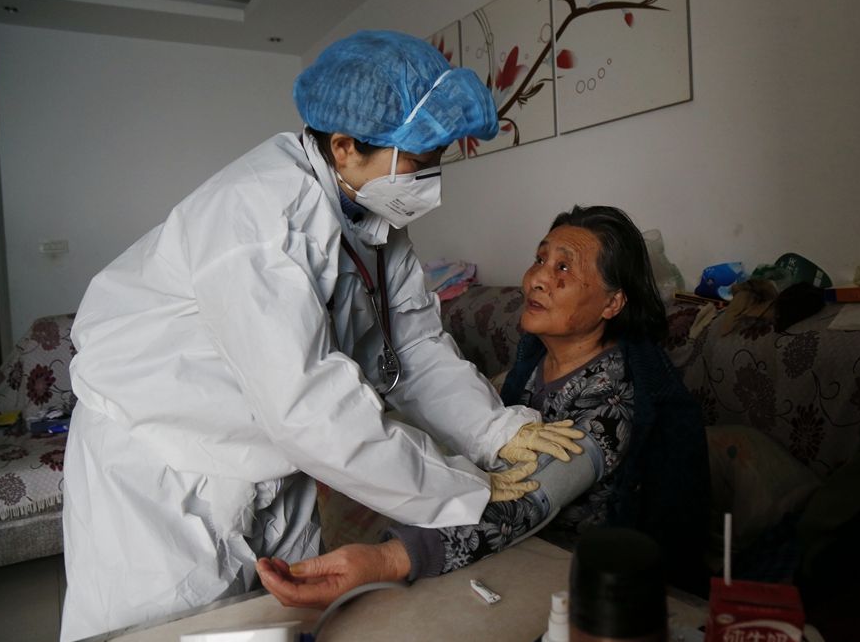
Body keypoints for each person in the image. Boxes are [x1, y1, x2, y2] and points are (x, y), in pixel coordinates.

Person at [60, 30, 583, 642]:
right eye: (419, 163)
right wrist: (464, 487)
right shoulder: (256, 219)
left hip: (271, 455)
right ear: (344, 147)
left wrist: (496, 431)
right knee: (162, 634)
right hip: (162, 464)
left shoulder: (372, 218)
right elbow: (307, 405)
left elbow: (413, 348)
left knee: (286, 623)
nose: (430, 180)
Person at [256, 205, 711, 608]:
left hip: (569, 576)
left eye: (563, 268)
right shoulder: (533, 362)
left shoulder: (613, 400)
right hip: (505, 556)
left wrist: (386, 558)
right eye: (540, 259)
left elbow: (528, 497)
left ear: (613, 303)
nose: (536, 278)